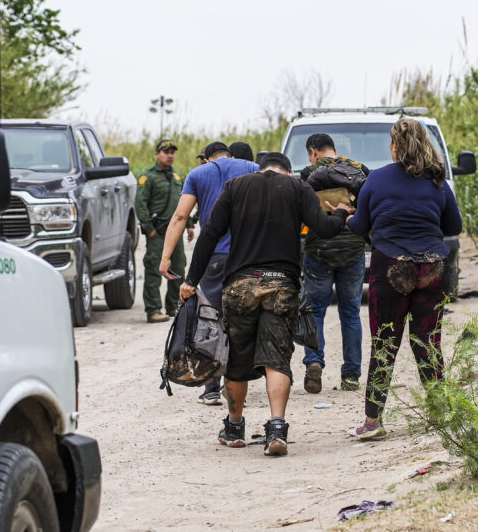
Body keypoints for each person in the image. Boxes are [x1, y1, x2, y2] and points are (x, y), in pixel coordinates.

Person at [181, 152, 350, 456]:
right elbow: (324, 228)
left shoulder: (235, 187)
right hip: (281, 284)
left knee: (238, 360)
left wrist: (191, 280)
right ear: (288, 171)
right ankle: (276, 428)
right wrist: (340, 213)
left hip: (240, 285)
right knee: (276, 358)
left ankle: (234, 427)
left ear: (262, 169)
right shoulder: (298, 188)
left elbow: (209, 235)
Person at [344, 117, 463, 440]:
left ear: (394, 146)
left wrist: (347, 215)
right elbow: (454, 226)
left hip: (391, 266)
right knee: (428, 343)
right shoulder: (438, 181)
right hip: (433, 267)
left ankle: (372, 423)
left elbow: (361, 226)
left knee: (385, 343)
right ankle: (440, 417)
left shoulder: (378, 179)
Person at [159, 141, 258, 405]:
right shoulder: (252, 168)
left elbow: (181, 216)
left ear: (207, 159)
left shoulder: (198, 174)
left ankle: (211, 386)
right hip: (247, 257)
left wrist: (166, 257)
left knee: (212, 320)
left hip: (213, 258)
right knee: (241, 320)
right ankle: (236, 386)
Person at [299, 133, 367, 394]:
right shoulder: (359, 170)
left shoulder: (307, 173)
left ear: (314, 152)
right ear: (334, 150)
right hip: (352, 249)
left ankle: (314, 362)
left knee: (315, 310)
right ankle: (351, 375)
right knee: (350, 313)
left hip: (318, 250)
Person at [135, 138, 191, 323]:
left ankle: (174, 306)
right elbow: (140, 204)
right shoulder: (148, 177)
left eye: (172, 152)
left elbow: (184, 202)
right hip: (157, 232)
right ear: (157, 154)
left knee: (178, 268)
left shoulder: (177, 176)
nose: (170, 155)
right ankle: (153, 310)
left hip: (175, 231)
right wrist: (149, 230)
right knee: (153, 269)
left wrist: (189, 225)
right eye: (166, 152)